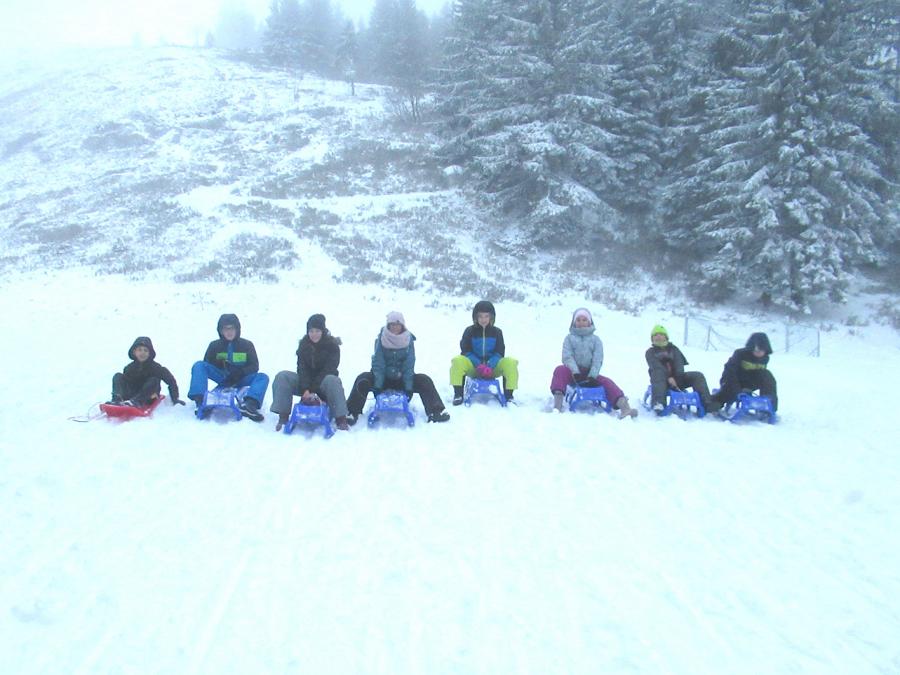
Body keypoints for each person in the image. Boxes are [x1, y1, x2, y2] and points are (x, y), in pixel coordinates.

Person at [346, 311, 450, 424]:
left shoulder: (408, 340)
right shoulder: (381, 339)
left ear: (402, 326)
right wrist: (378, 388)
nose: (395, 327)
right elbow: (378, 363)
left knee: (424, 380)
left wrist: (408, 388)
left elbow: (409, 365)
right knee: (362, 378)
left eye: (398, 324)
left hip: (402, 379)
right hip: (382, 379)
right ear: (388, 325)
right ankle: (352, 413)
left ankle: (435, 412)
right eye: (392, 324)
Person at [549, 307, 637, 418]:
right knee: (560, 370)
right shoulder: (569, 338)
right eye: (578, 320)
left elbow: (598, 359)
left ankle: (625, 408)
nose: (581, 322)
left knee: (607, 382)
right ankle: (557, 406)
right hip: (572, 373)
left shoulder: (596, 340)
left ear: (590, 322)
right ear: (574, 322)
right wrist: (575, 371)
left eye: (584, 319)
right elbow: (567, 357)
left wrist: (592, 375)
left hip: (590, 374)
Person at [270, 313, 351, 431]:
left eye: (317, 331)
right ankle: (283, 416)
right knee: (283, 376)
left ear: (322, 331)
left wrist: (313, 390)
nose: (314, 334)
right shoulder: (303, 345)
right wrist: (305, 389)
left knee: (333, 380)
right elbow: (302, 369)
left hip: (324, 384)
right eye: (311, 331)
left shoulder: (332, 346)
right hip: (306, 384)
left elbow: (329, 369)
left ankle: (341, 419)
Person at [187, 313, 268, 422]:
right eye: (225, 329)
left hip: (241, 378)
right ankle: (200, 400)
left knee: (263, 377)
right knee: (198, 365)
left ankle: (250, 405)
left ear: (237, 329)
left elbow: (254, 366)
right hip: (222, 377)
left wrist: (241, 372)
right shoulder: (214, 345)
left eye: (232, 328)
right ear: (220, 331)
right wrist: (218, 364)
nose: (229, 332)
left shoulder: (247, 345)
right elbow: (206, 365)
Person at [450, 300, 519, 405]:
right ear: (475, 317)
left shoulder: (497, 332)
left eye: (486, 316)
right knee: (457, 361)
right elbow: (465, 351)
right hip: (474, 367)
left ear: (491, 317)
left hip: (492, 368)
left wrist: (489, 365)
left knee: (510, 362)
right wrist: (479, 365)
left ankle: (509, 396)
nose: (483, 319)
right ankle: (458, 395)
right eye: (480, 316)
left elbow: (499, 352)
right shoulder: (469, 331)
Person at [645, 324, 719, 415]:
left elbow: (679, 364)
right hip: (660, 382)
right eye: (655, 335)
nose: (658, 336)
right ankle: (658, 403)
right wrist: (668, 377)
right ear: (652, 339)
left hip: (677, 380)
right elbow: (656, 366)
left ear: (666, 337)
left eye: (661, 334)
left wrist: (675, 378)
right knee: (657, 373)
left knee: (698, 375)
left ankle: (707, 403)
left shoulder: (674, 349)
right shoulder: (650, 352)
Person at [109, 336, 184, 407]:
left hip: (148, 397)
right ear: (134, 352)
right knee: (118, 376)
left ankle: (137, 401)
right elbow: (124, 384)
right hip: (132, 395)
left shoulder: (156, 367)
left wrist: (175, 398)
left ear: (150, 353)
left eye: (145, 350)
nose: (142, 353)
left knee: (153, 380)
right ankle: (116, 400)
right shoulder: (129, 368)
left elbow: (171, 381)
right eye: (140, 350)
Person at [712, 332, 778, 411]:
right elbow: (730, 373)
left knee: (767, 375)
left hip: (749, 382)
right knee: (726, 393)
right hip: (732, 381)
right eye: (757, 350)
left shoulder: (765, 358)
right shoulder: (740, 354)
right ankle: (715, 403)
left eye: (762, 350)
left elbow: (761, 376)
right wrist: (737, 391)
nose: (759, 353)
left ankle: (769, 405)